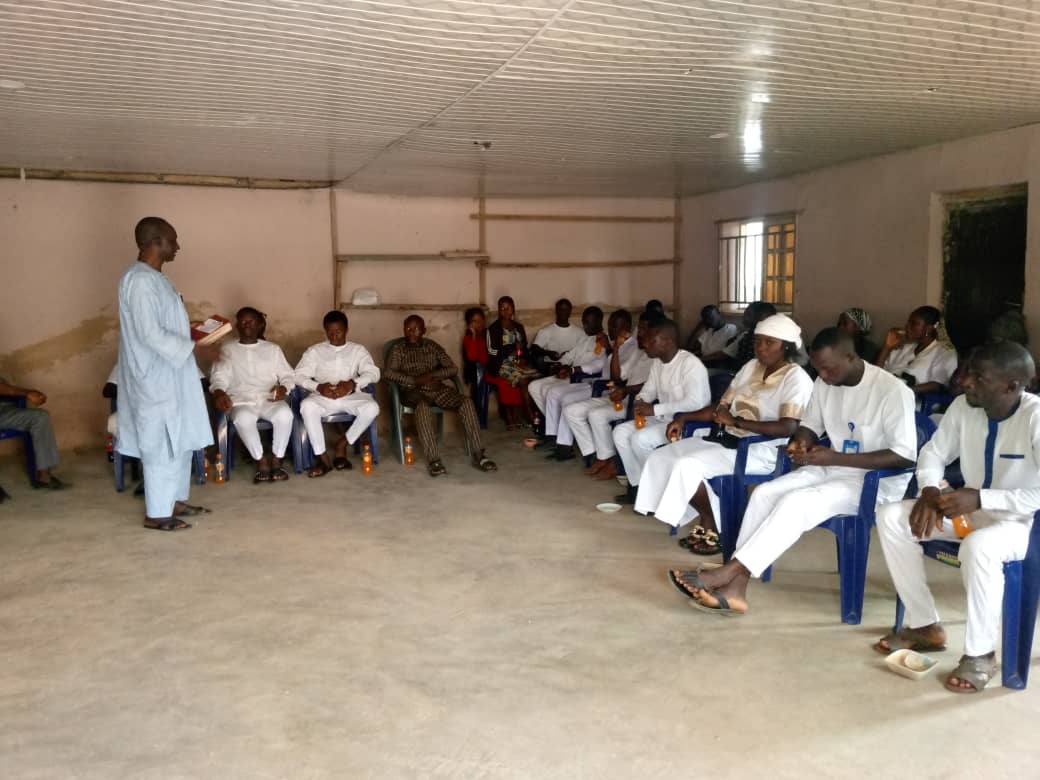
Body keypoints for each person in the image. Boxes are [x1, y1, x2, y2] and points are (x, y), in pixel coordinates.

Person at [670, 327, 916, 614]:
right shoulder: (826, 382)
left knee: (796, 503)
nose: (822, 376)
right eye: (818, 369)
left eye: (828, 369)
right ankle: (736, 589)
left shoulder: (892, 391)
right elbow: (810, 426)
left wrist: (835, 457)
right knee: (764, 494)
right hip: (832, 468)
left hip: (874, 483)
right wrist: (800, 442)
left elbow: (903, 456)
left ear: (850, 357)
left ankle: (728, 574)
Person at [874, 341, 1040, 693]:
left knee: (979, 547)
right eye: (967, 373)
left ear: (1011, 386)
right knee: (891, 517)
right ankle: (925, 626)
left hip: (1022, 524)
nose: (965, 382)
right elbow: (934, 453)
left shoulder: (1035, 417)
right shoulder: (964, 407)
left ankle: (981, 654)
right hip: (970, 511)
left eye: (979, 378)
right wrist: (929, 491)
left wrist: (981, 497)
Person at [636, 315, 813, 555]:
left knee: (686, 465)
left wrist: (737, 422)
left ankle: (715, 524)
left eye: (769, 342)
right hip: (727, 440)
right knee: (661, 457)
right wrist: (683, 418)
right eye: (758, 341)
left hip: (762, 450)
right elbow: (721, 407)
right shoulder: (750, 367)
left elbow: (789, 427)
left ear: (787, 346)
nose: (761, 347)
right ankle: (711, 516)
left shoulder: (796, 378)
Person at [117, 217, 216, 531]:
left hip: (173, 374)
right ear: (156, 242)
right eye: (173, 241)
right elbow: (149, 333)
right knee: (160, 443)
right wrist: (193, 346)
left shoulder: (156, 279)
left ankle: (174, 500)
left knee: (180, 438)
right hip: (155, 379)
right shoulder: (140, 281)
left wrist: (192, 330)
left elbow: (164, 324)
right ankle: (157, 513)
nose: (177, 247)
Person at [612, 319, 711, 504]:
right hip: (664, 419)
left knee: (640, 439)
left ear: (667, 341)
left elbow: (695, 403)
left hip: (688, 423)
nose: (645, 344)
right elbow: (649, 390)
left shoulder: (690, 364)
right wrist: (640, 401)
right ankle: (639, 486)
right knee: (620, 432)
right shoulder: (657, 363)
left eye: (651, 340)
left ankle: (657, 493)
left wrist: (654, 409)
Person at [385, 315, 497, 477]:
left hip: (437, 389)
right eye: (408, 328)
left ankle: (479, 454)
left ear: (424, 330)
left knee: (466, 402)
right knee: (422, 408)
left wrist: (433, 376)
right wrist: (414, 380)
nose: (411, 332)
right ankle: (434, 460)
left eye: (416, 329)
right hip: (413, 392)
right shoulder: (398, 349)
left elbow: (452, 368)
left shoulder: (432, 347)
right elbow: (389, 373)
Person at [209, 307, 296, 484]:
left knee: (285, 414)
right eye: (242, 321)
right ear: (237, 326)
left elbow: (288, 375)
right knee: (243, 418)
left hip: (269, 398)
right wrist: (219, 391)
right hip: (240, 400)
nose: (246, 324)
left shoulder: (272, 349)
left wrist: (284, 388)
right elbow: (219, 378)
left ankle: (277, 459)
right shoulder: (227, 349)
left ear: (260, 325)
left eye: (251, 321)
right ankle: (260, 461)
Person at [568, 310, 655, 481]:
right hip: (619, 395)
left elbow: (648, 386)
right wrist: (615, 348)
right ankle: (599, 456)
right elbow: (618, 377)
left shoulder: (652, 354)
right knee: (571, 411)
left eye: (643, 329)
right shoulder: (638, 351)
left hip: (636, 403)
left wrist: (625, 389)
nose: (639, 333)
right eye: (639, 329)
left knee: (597, 415)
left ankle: (608, 460)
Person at [295, 310, 380, 477]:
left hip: (350, 396)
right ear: (325, 330)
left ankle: (342, 445)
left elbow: (374, 373)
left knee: (372, 408)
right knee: (307, 406)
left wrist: (352, 384)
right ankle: (323, 458)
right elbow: (297, 375)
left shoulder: (357, 350)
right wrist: (318, 387)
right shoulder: (315, 351)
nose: (334, 335)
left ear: (347, 329)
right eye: (330, 331)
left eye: (338, 331)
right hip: (323, 397)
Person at [529, 306, 606, 453]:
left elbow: (598, 365)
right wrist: (560, 365)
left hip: (584, 379)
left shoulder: (603, 342)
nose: (585, 326)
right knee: (534, 386)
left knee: (551, 391)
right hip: (571, 374)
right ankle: (555, 429)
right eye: (584, 322)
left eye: (588, 322)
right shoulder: (586, 338)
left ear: (599, 321)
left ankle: (555, 435)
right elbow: (571, 354)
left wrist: (573, 370)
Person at [876, 305, 957, 396]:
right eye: (908, 322)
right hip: (885, 395)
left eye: (913, 323)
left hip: (912, 401)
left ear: (928, 328)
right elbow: (876, 374)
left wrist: (903, 391)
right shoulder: (904, 348)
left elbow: (937, 385)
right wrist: (886, 348)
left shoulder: (944, 353)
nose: (907, 326)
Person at [0, 377, 65, 489]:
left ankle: (44, 475)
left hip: (5, 409)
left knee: (41, 417)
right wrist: (27, 393)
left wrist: (30, 394)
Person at [485, 296, 536, 429]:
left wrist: (523, 358)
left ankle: (522, 414)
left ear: (513, 309)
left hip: (517, 362)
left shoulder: (518, 327)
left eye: (508, 308)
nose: (505, 311)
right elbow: (492, 351)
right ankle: (529, 414)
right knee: (522, 380)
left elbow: (524, 347)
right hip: (500, 363)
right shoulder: (493, 329)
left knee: (534, 377)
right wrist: (512, 349)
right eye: (502, 308)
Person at [528, 298, 583, 375]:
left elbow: (584, 351)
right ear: (556, 311)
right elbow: (534, 348)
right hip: (550, 368)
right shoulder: (546, 331)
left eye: (566, 310)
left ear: (570, 311)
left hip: (571, 368)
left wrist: (570, 354)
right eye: (561, 309)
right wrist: (548, 353)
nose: (563, 312)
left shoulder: (579, 332)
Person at [721, 301, 777, 370]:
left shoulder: (770, 340)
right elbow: (726, 353)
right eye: (745, 313)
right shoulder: (745, 335)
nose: (744, 317)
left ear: (760, 317)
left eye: (748, 314)